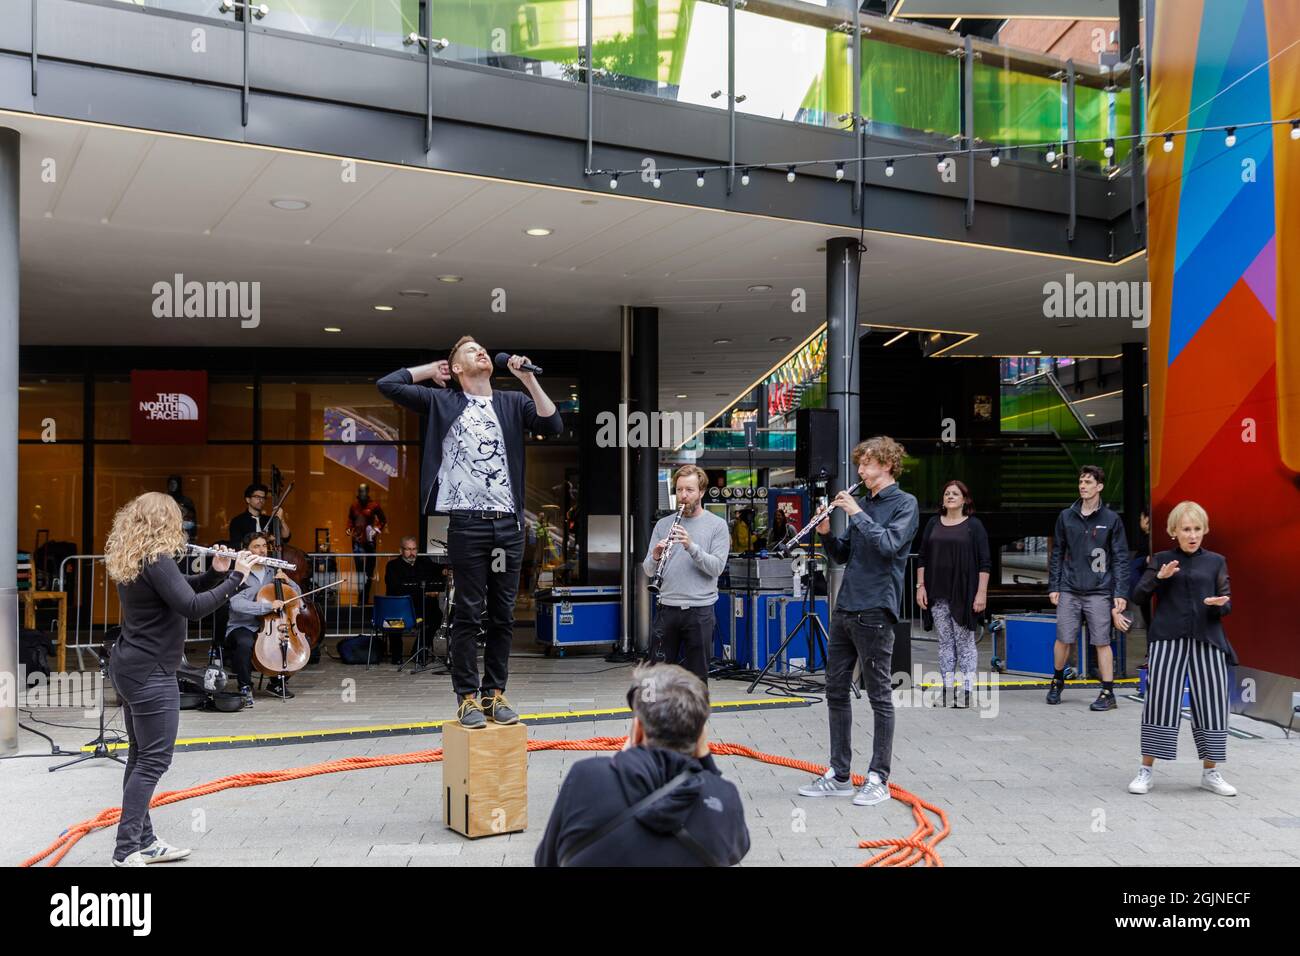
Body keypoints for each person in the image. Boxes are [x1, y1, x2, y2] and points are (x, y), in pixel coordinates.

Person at [378, 337, 563, 728]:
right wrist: (431, 371)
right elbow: (388, 384)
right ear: (457, 368)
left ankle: (494, 694)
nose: (481, 352)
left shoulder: (512, 402)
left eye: (483, 349)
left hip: (507, 524)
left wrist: (527, 379)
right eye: (469, 351)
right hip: (466, 523)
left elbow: (553, 423)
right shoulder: (441, 401)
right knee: (467, 613)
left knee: (503, 615)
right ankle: (466, 698)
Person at [103, 492, 256, 866]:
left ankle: (145, 841)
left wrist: (216, 571)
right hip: (151, 671)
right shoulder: (156, 558)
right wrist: (237, 577)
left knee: (140, 757)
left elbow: (183, 587)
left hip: (132, 665)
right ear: (164, 522)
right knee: (153, 761)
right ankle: (126, 850)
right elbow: (192, 606)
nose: (183, 525)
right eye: (178, 519)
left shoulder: (140, 556)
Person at [797, 436, 919, 807]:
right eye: (860, 464)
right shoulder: (864, 503)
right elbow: (843, 554)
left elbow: (889, 546)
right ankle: (838, 773)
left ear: (887, 464)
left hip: (876, 608)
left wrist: (855, 514)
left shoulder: (905, 504)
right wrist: (825, 535)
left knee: (879, 694)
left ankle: (879, 776)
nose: (860, 471)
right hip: (847, 606)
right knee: (835, 689)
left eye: (867, 464)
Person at [534, 663, 750, 867]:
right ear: (701, 737)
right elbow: (736, 850)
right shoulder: (724, 797)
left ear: (637, 730)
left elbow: (546, 860)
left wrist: (622, 761)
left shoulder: (587, 776)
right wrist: (707, 763)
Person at [1119, 501, 1237, 797]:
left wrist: (1218, 606)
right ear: (1174, 531)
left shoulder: (1216, 561)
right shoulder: (1160, 559)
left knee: (1212, 704)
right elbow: (1138, 594)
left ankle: (1211, 772)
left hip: (1208, 640)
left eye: (1197, 529)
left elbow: (1227, 600)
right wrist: (1159, 577)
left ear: (1205, 530)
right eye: (1186, 529)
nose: (1192, 534)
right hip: (1167, 639)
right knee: (1160, 702)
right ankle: (1146, 770)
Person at [1046, 465, 1130, 711]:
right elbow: (1058, 552)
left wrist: (1121, 593)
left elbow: (1121, 558)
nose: (1083, 485)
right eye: (1081, 481)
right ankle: (1057, 680)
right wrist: (1054, 585)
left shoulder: (1111, 520)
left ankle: (1107, 692)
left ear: (1099, 487)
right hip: (1070, 588)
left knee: (1102, 641)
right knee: (1064, 638)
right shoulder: (1066, 516)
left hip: (1100, 590)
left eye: (1089, 482)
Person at [641, 465, 729, 683]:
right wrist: (655, 555)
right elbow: (648, 570)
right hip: (666, 609)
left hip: (699, 612)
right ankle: (655, 717)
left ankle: (696, 718)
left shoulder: (717, 526)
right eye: (679, 490)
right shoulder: (663, 525)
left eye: (689, 490)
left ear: (701, 491)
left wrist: (691, 546)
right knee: (657, 676)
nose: (683, 496)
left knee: (697, 678)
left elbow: (716, 567)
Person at [915, 480, 991, 708]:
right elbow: (922, 557)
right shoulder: (932, 524)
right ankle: (947, 688)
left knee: (965, 641)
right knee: (945, 642)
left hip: (964, 593)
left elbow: (984, 563)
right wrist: (921, 586)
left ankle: (967, 690)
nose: (949, 497)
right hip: (938, 592)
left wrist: (981, 594)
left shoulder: (974, 526)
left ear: (965, 499)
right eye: (947, 493)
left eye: (955, 494)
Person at [225, 531, 302, 705]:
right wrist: (267, 606)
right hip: (243, 625)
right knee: (245, 643)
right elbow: (236, 604)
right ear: (246, 550)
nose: (262, 550)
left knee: (288, 642)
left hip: (272, 625)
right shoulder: (238, 574)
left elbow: (297, 598)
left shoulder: (274, 572)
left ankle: (276, 683)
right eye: (256, 546)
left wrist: (289, 582)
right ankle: (245, 686)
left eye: (264, 546)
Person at [383, 534, 446, 664]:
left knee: (436, 615)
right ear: (401, 551)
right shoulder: (392, 566)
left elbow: (438, 568)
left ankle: (419, 650)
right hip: (399, 607)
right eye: (408, 549)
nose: (412, 553)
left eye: (414, 549)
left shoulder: (424, 562)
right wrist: (424, 592)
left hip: (418, 606)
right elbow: (396, 588)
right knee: (394, 621)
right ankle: (397, 655)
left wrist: (446, 570)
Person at [347, 483, 387, 607]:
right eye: (361, 491)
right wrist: (348, 528)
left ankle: (364, 598)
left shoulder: (374, 505)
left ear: (368, 492)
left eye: (365, 491)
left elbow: (383, 519)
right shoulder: (354, 505)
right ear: (358, 492)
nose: (363, 494)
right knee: (360, 572)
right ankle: (360, 599)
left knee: (369, 571)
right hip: (357, 541)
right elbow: (350, 519)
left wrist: (377, 529)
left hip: (369, 541)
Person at [228, 482, 289, 549]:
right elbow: (236, 545)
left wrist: (282, 520)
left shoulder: (268, 520)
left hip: (268, 557)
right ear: (248, 500)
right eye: (257, 497)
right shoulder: (237, 521)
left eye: (263, 498)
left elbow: (286, 537)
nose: (261, 500)